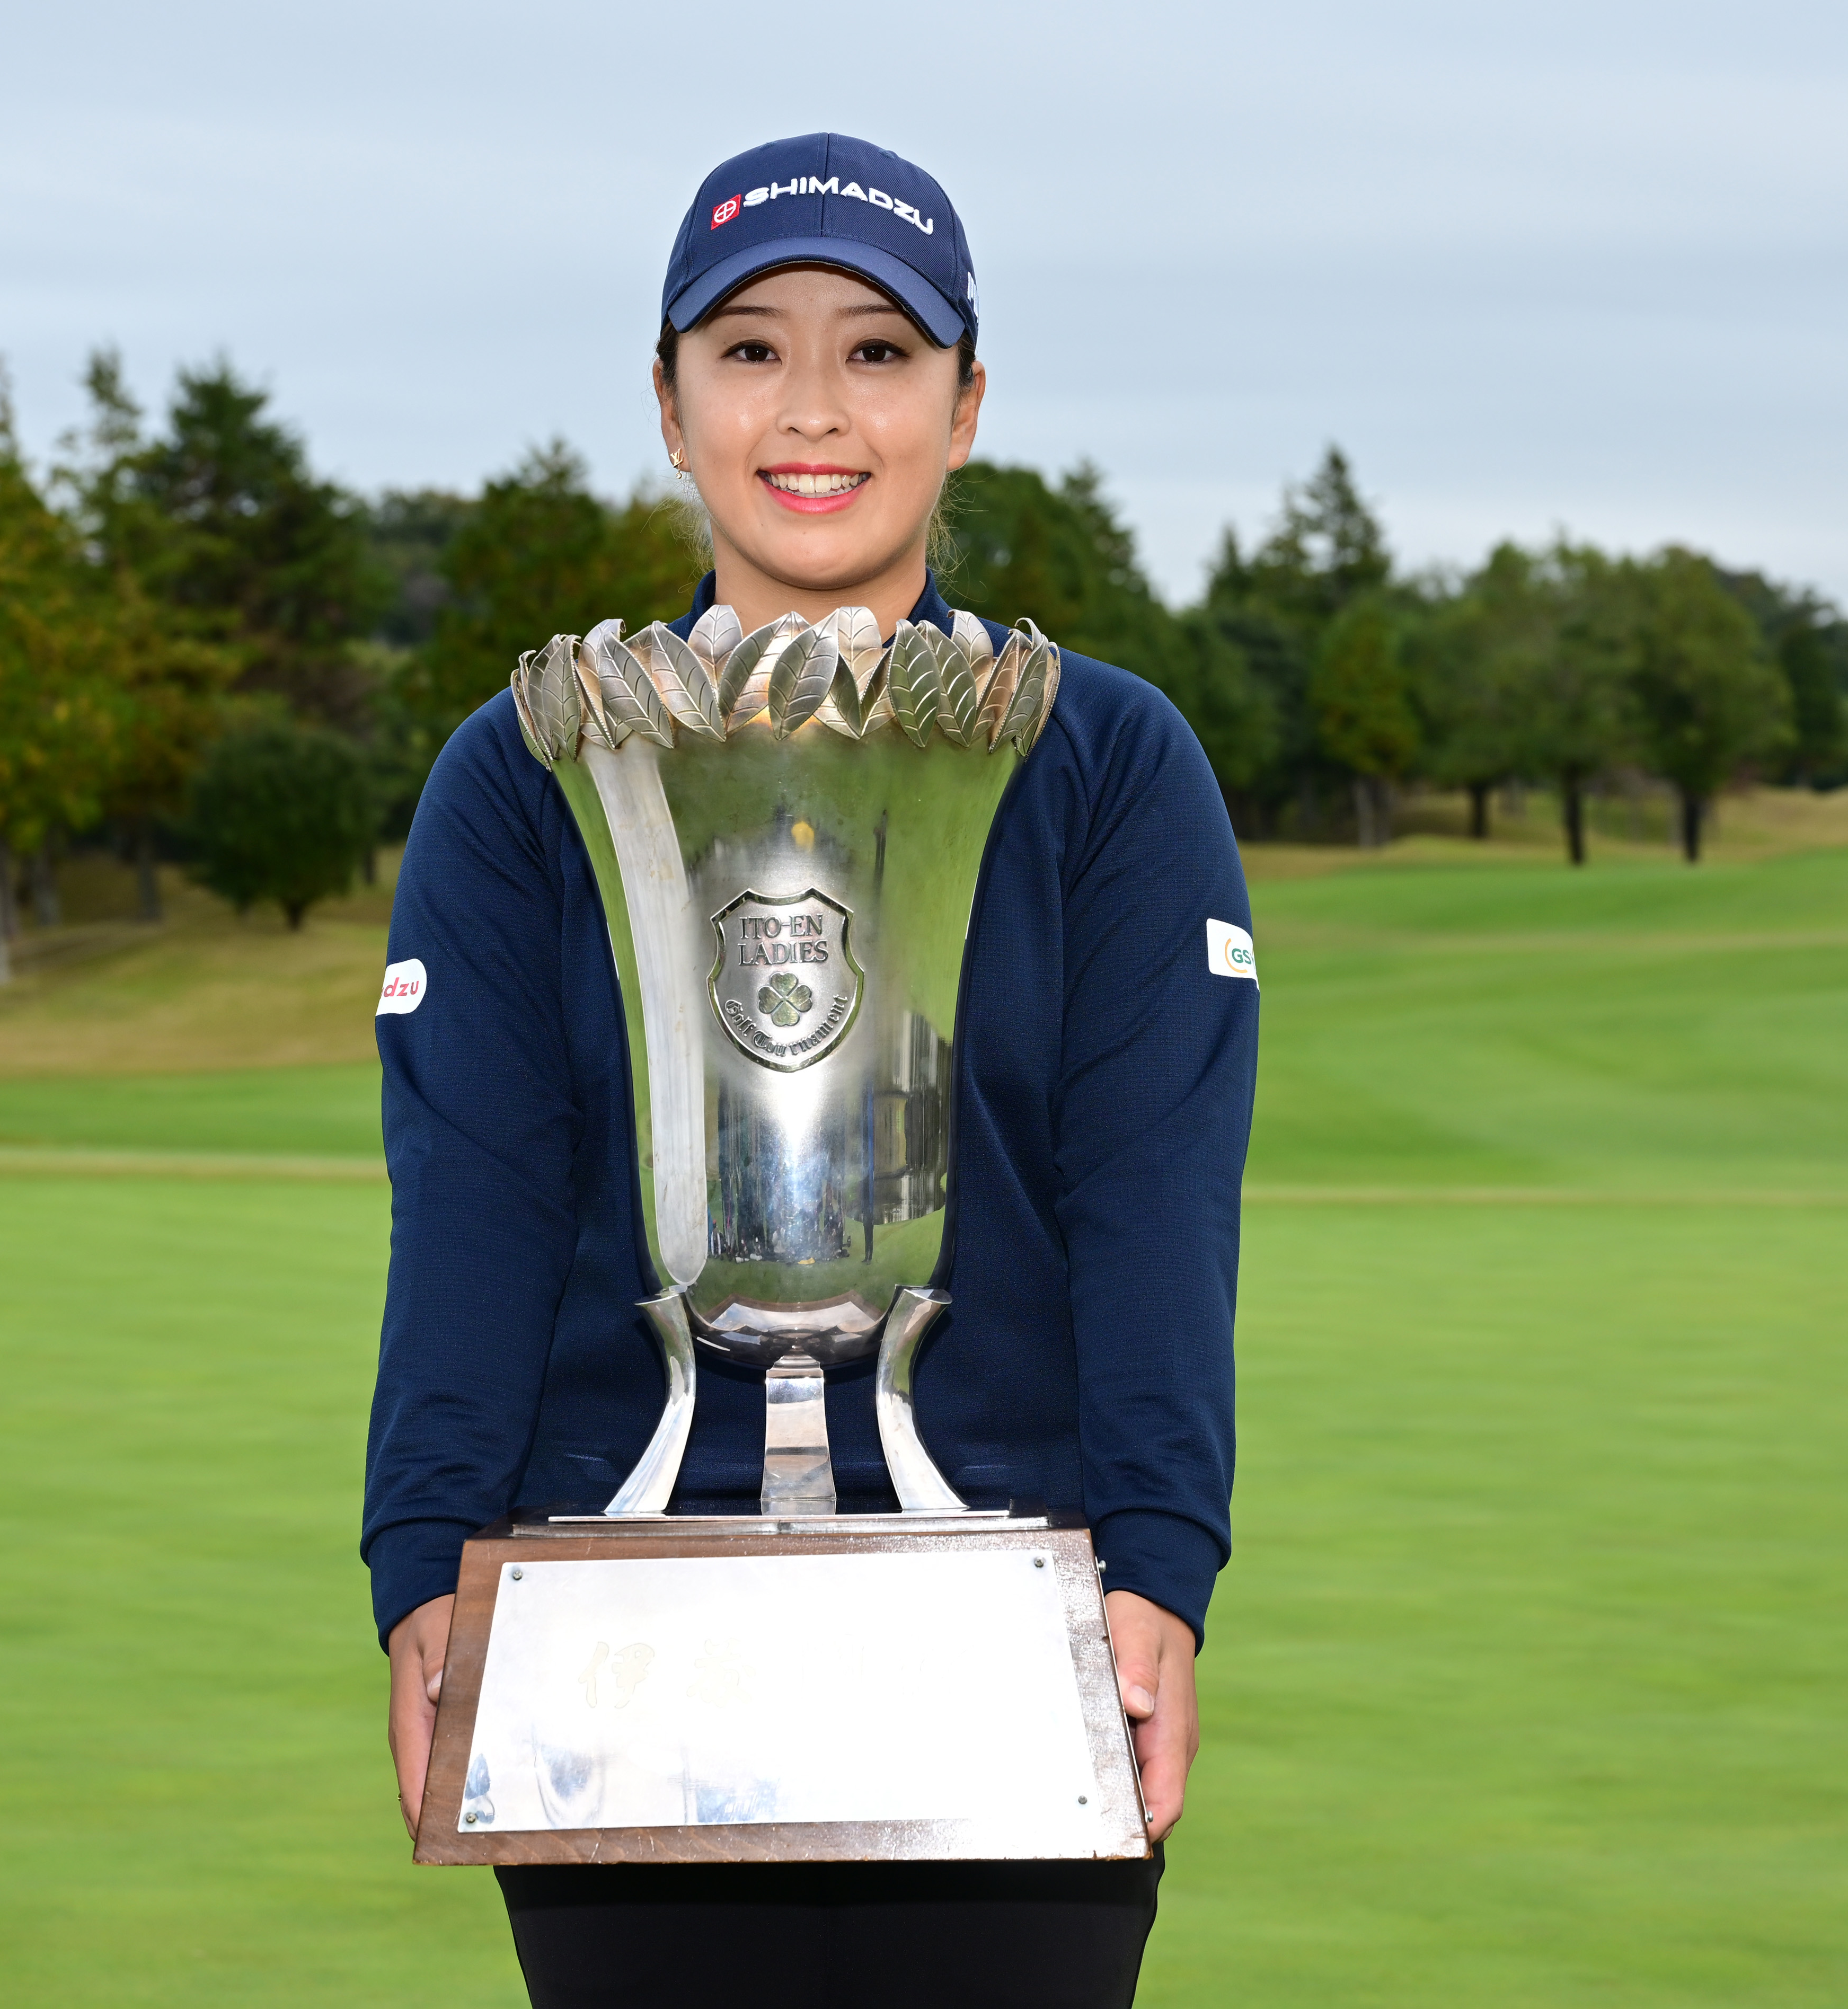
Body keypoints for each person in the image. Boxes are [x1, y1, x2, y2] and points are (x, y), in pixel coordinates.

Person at [363, 132, 1257, 2009]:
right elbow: (477, 1190)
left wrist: (1162, 1567)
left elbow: (1156, 1189)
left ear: (966, 402)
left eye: (879, 351)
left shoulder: (1107, 763)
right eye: (751, 350)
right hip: (621, 1627)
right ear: (672, 404)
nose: (814, 409)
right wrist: (421, 1556)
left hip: (1018, 1621)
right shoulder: (524, 772)